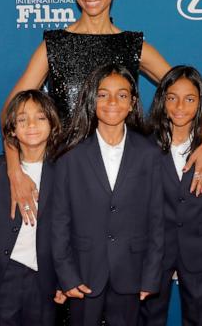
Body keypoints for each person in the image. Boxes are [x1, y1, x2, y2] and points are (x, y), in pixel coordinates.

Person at [1, 0, 202, 225]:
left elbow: (186, 94)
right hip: (67, 179)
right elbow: (9, 113)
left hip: (123, 185)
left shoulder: (132, 45)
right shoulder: (53, 46)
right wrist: (14, 170)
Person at [51, 64, 164, 326]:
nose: (112, 102)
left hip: (131, 273)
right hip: (84, 273)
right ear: (92, 100)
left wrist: (150, 276)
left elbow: (156, 222)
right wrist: (67, 276)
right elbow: (59, 223)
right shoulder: (71, 157)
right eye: (103, 94)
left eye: (122, 95)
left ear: (132, 102)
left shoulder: (150, 154)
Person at [141, 66, 202, 326]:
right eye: (172, 97)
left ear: (201, 103)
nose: (180, 106)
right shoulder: (144, 146)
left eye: (190, 99)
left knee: (198, 316)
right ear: (162, 100)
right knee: (151, 317)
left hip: (197, 247)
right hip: (155, 250)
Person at [0, 90, 65, 326]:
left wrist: (66, 281)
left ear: (53, 124)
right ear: (11, 129)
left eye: (40, 117)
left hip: (47, 272)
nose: (31, 124)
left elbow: (73, 231)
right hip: (7, 270)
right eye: (22, 119)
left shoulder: (65, 169)